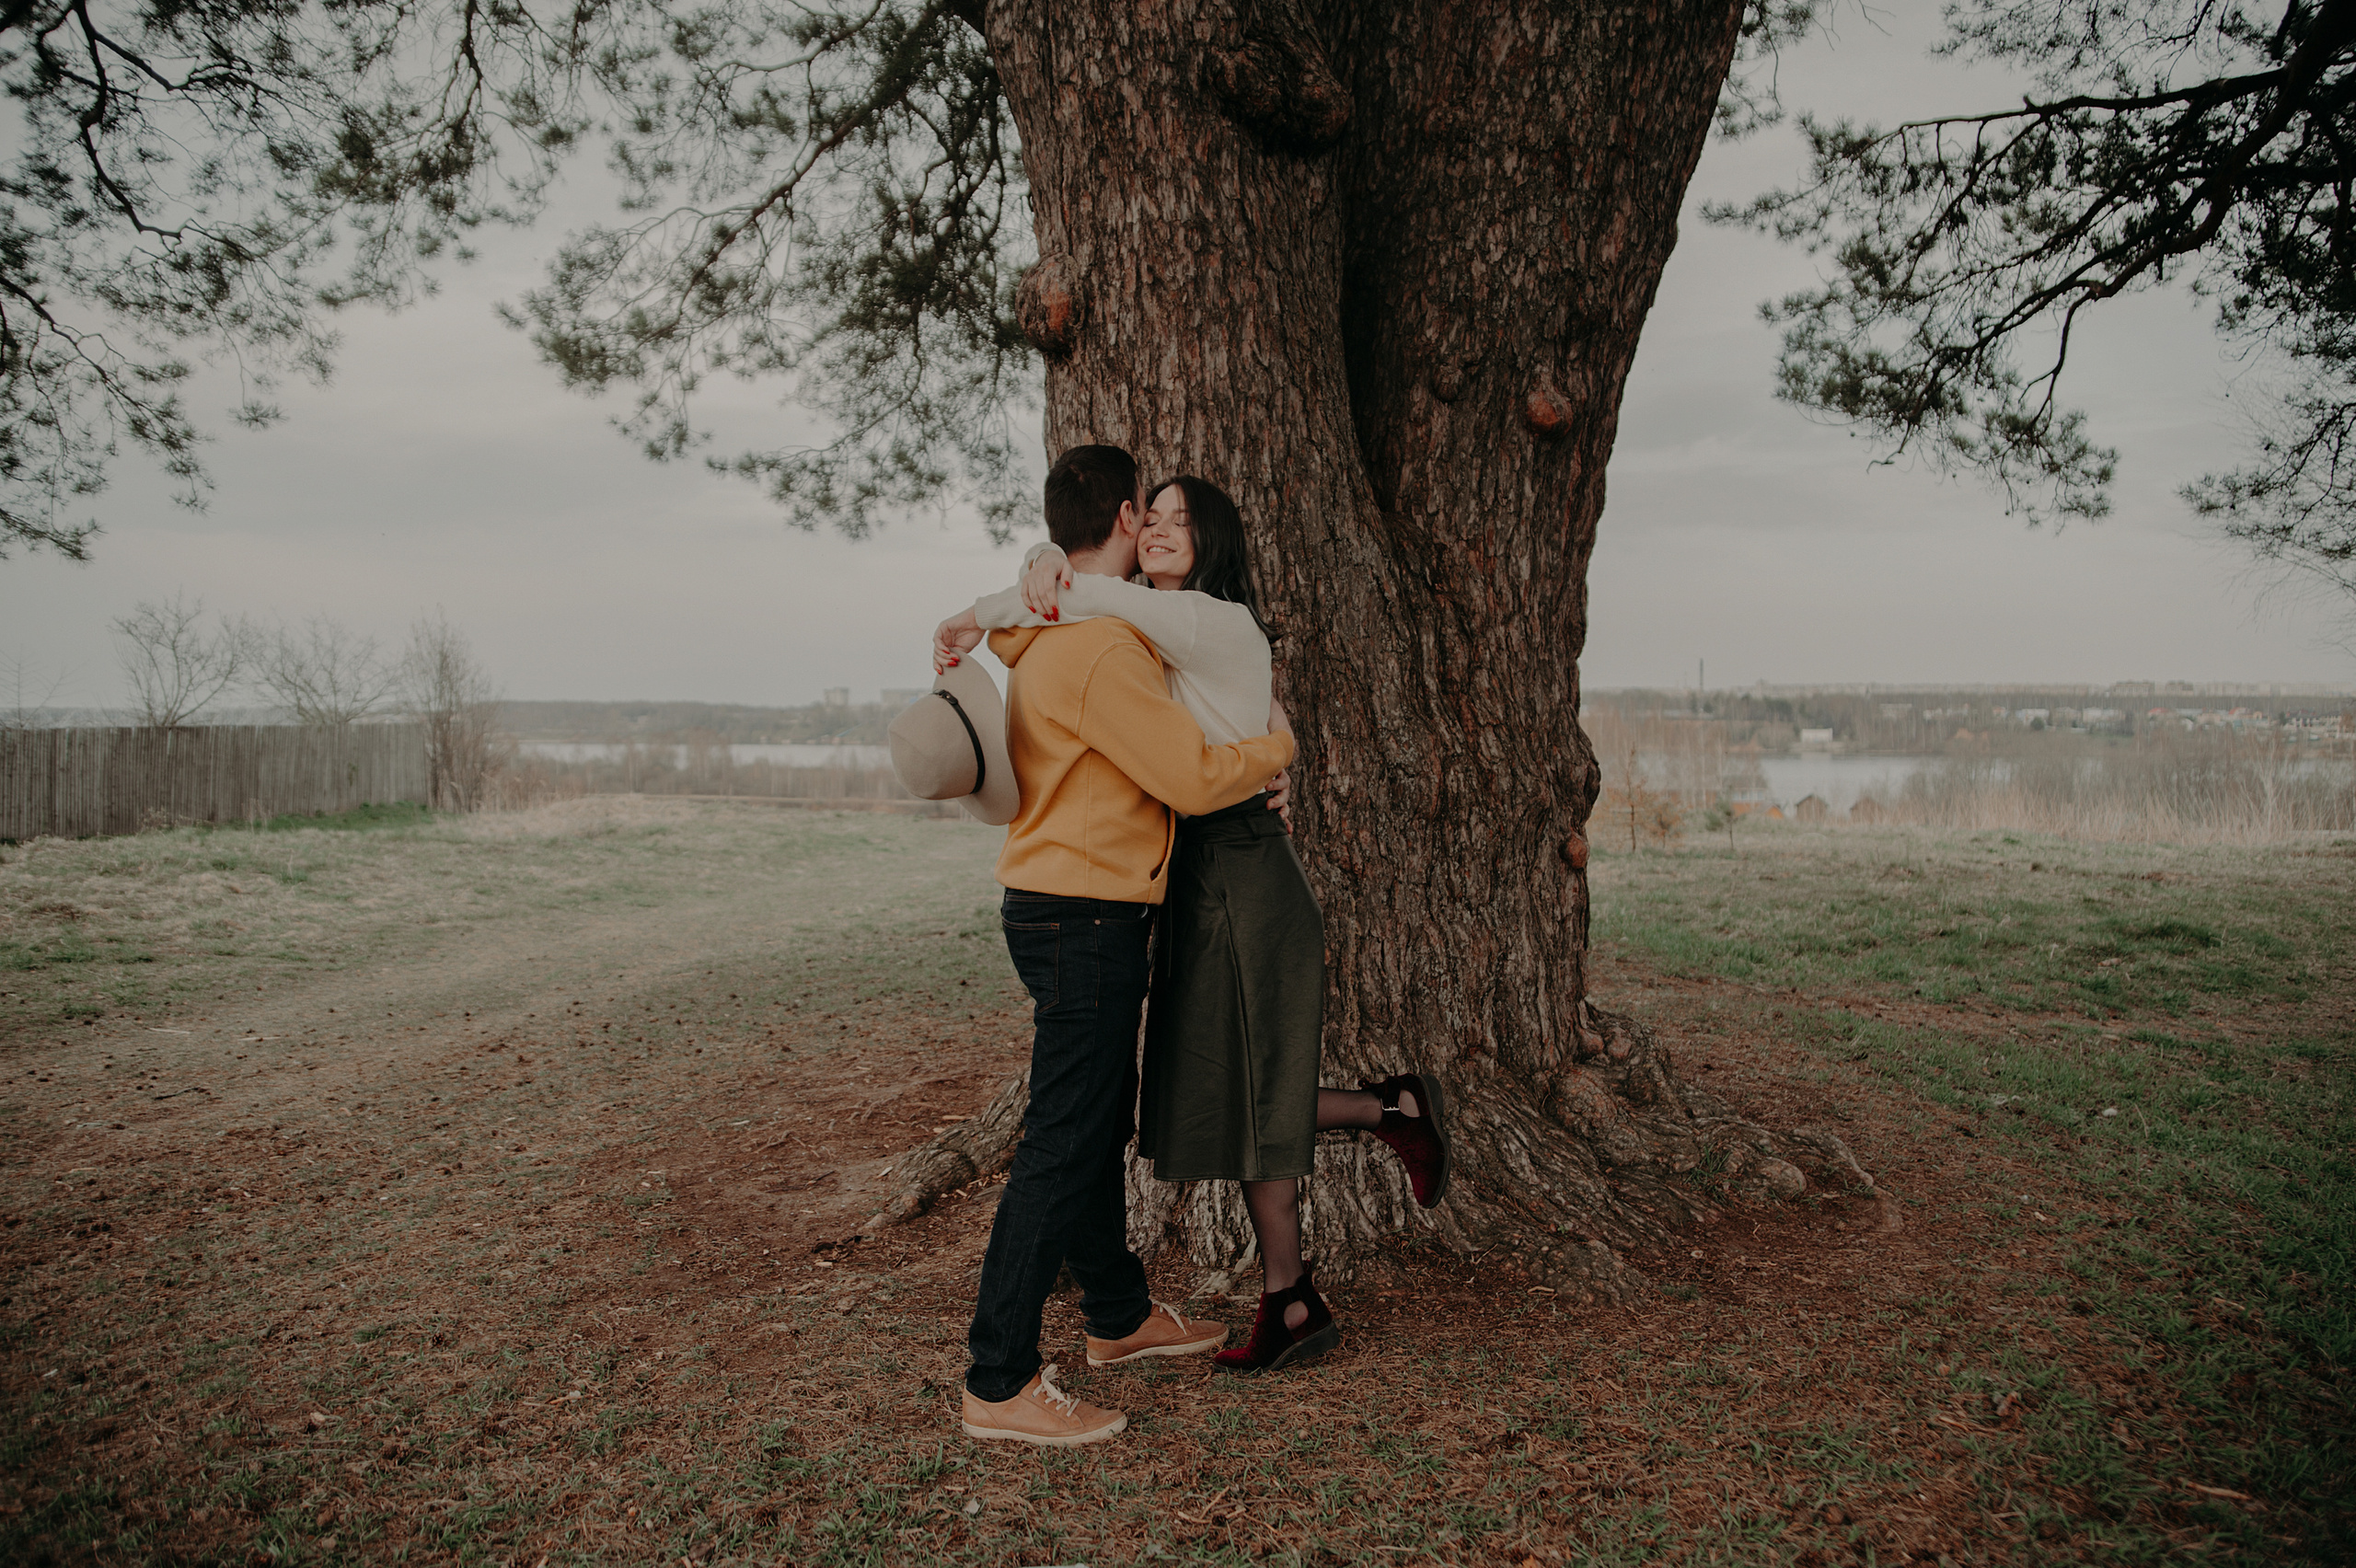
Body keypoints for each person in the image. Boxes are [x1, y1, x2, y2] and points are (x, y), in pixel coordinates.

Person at [934, 474, 1451, 1377]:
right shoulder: (1139, 627)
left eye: (1182, 520)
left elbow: (1071, 600)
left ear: (1210, 540)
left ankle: (1298, 1277)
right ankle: (1372, 1129)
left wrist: (984, 606)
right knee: (1187, 1100)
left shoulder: (1209, 621)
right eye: (1154, 515)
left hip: (1241, 863)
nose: (1166, 529)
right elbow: (1055, 610)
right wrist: (1029, 574)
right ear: (1129, 527)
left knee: (1240, 1093)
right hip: (1186, 875)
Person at [934, 444, 1296, 1448]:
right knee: (1062, 1140)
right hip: (1085, 916)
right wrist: (1278, 748)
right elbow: (1187, 775)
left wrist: (1003, 594)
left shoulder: (1046, 626)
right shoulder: (1103, 649)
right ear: (1132, 517)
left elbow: (1019, 617)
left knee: (1089, 1128)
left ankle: (1119, 1316)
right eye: (1154, 517)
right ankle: (998, 1378)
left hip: (1056, 902)